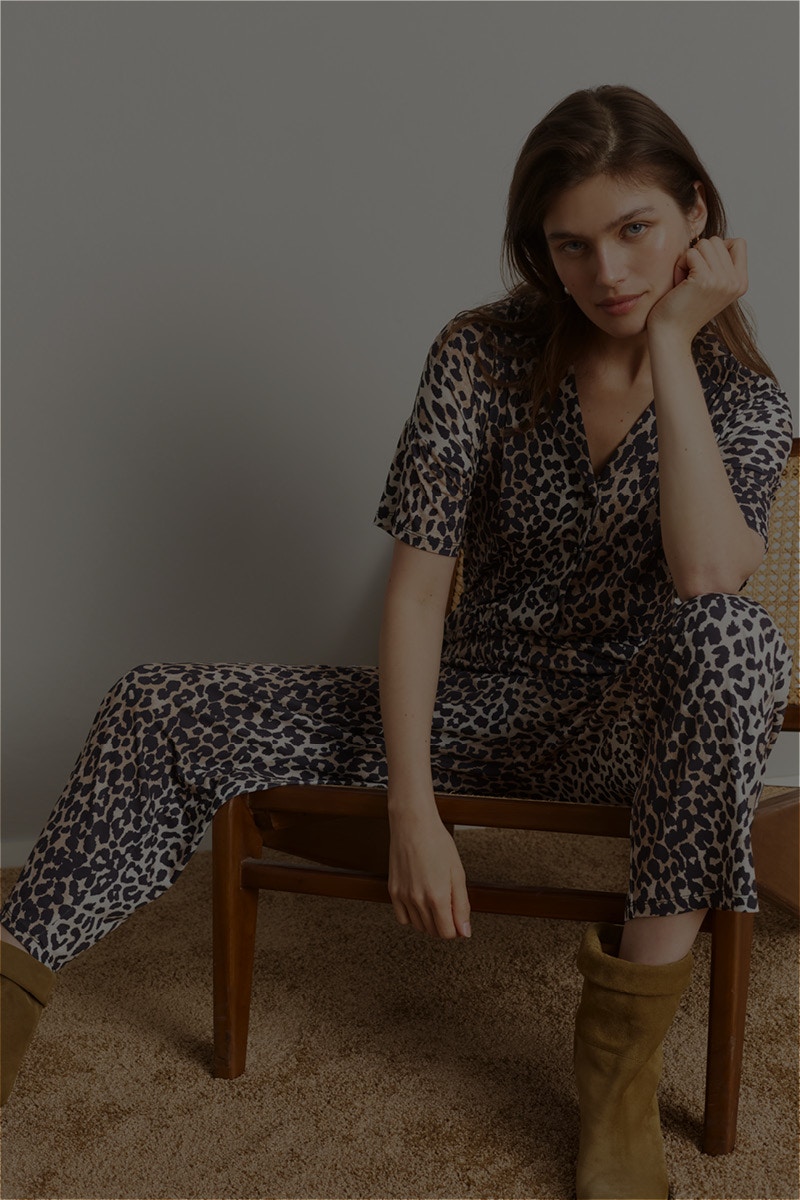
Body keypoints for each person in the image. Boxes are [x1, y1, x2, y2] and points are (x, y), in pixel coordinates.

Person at [0, 84, 793, 1199]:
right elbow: (417, 595)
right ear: (538, 250)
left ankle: (617, 1076)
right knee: (157, 698)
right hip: (468, 701)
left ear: (694, 217)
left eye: (633, 232)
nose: (606, 272)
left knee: (732, 641)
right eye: (570, 245)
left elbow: (707, 572)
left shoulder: (742, 402)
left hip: (629, 729)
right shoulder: (479, 354)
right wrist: (413, 814)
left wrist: (672, 339)